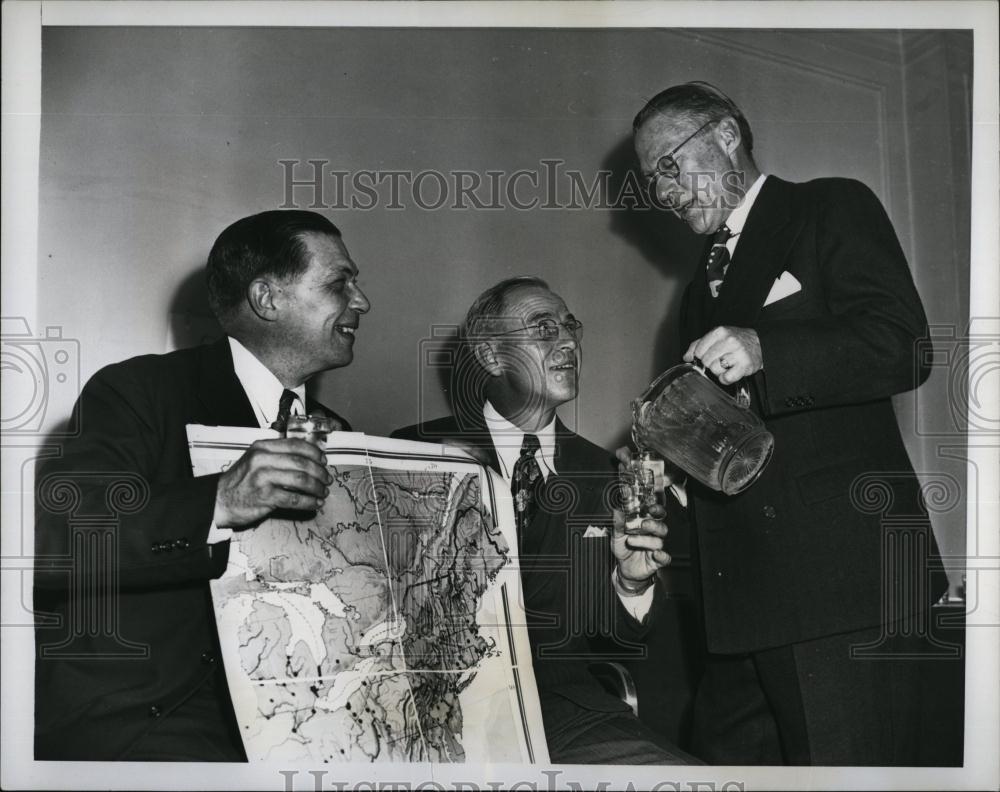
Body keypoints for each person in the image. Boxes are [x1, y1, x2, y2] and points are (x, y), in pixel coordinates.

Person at [630, 82, 948, 765]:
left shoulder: (827, 205)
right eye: (649, 181)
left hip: (841, 590)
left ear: (724, 135)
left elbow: (904, 344)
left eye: (667, 166)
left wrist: (766, 349)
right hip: (739, 608)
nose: (663, 193)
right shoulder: (694, 293)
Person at [33, 210, 370, 760]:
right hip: (153, 720)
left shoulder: (341, 433)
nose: (361, 301)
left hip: (296, 723)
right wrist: (220, 500)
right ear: (267, 299)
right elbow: (60, 540)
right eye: (340, 282)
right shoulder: (137, 391)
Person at [393, 276, 695, 765]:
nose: (569, 341)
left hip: (561, 712)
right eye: (543, 328)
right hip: (433, 714)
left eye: (570, 326)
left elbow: (614, 640)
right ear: (491, 357)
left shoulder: (607, 476)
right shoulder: (416, 456)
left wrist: (629, 582)